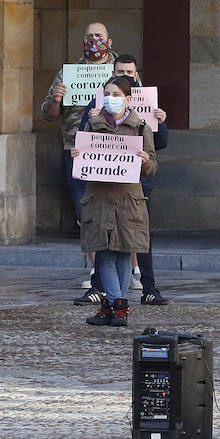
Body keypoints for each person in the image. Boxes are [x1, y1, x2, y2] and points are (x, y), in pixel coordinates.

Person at [74, 75, 156, 326]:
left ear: (128, 99)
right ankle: (117, 306)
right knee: (105, 253)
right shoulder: (91, 126)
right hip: (99, 199)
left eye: (117, 95)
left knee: (122, 254)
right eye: (107, 94)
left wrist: (145, 161)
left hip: (127, 201)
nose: (111, 99)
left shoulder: (141, 128)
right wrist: (77, 154)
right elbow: (82, 161)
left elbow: (152, 166)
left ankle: (114, 307)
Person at [40, 21, 113, 304]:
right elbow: (48, 112)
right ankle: (96, 269)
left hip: (112, 149)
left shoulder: (118, 71)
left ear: (109, 40)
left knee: (119, 208)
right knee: (86, 211)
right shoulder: (69, 72)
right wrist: (56, 99)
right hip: (76, 150)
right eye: (89, 36)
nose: (94, 41)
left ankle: (130, 269)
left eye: (99, 36)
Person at [113, 54, 170, 306]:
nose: (125, 75)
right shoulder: (102, 101)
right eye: (120, 72)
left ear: (136, 75)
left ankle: (149, 287)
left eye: (129, 72)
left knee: (142, 234)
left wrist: (162, 122)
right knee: (105, 234)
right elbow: (85, 136)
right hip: (106, 183)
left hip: (138, 183)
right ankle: (101, 288)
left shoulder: (146, 104)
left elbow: (162, 143)